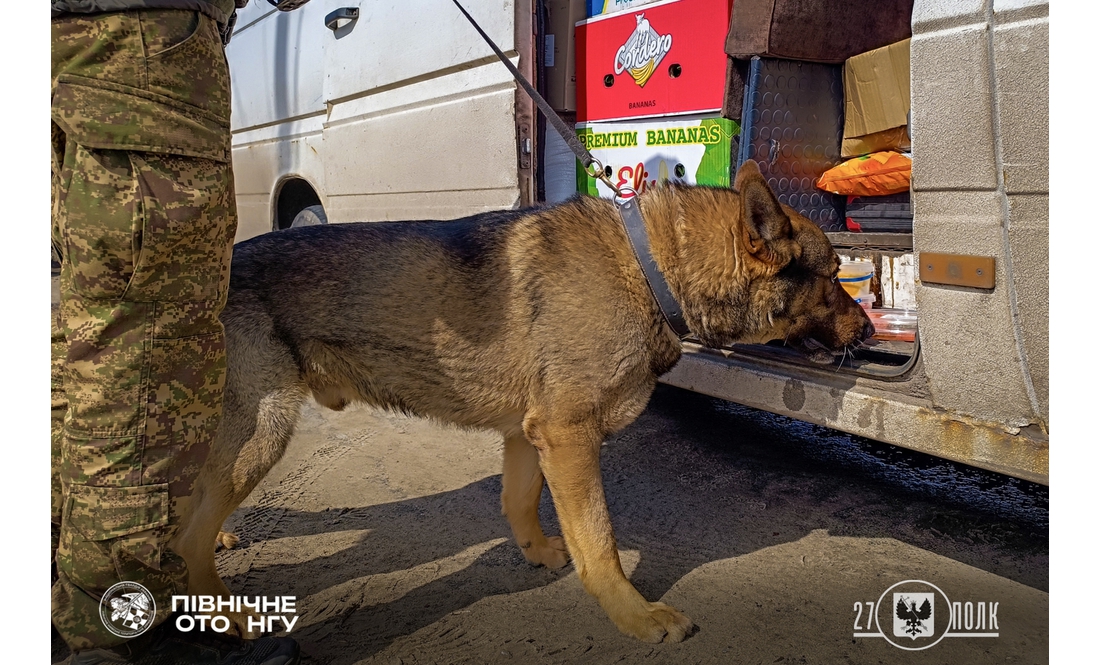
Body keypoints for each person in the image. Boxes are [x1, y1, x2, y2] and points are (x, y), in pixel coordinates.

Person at [51, 1, 306, 662]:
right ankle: (127, 630)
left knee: (69, 342)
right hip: (135, 46)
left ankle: (60, 589)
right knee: (147, 360)